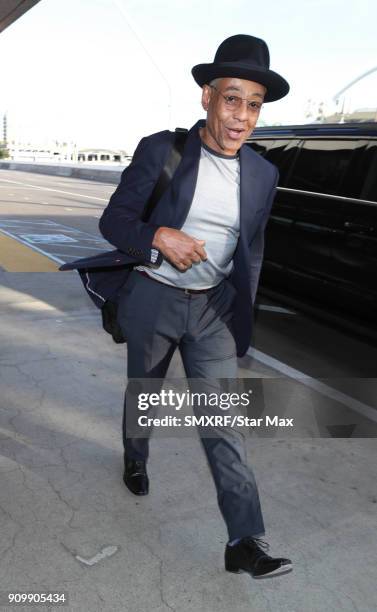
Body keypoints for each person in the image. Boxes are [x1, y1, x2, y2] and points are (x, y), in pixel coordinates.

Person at [99, 34, 292, 579]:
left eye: (253, 104)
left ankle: (244, 540)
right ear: (207, 96)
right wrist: (159, 235)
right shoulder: (162, 151)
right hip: (153, 300)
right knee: (145, 393)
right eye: (232, 99)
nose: (242, 117)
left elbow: (251, 246)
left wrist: (239, 314)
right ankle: (135, 458)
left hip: (212, 313)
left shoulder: (263, 174)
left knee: (224, 425)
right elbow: (114, 222)